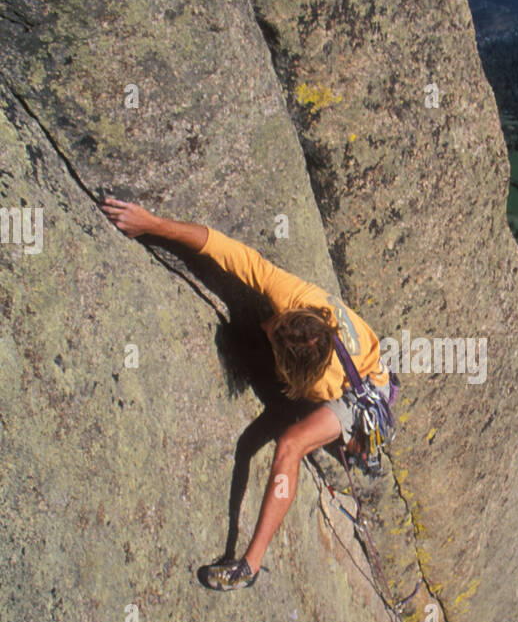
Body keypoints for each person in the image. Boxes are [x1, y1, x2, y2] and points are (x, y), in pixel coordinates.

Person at [101, 197, 391, 590]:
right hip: (359, 369)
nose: (271, 324)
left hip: (361, 394)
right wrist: (151, 223)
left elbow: (303, 426)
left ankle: (248, 568)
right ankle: (357, 443)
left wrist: (336, 423)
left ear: (297, 375)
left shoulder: (324, 381)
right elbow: (221, 247)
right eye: (278, 323)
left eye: (276, 336)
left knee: (290, 444)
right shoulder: (293, 294)